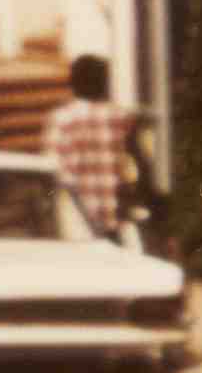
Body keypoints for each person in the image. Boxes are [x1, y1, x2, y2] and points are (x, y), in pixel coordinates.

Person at [42, 55, 160, 252]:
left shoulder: (60, 119)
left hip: (75, 220)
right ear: (105, 83)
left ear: (73, 84)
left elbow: (50, 169)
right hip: (114, 214)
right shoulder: (121, 117)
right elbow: (140, 162)